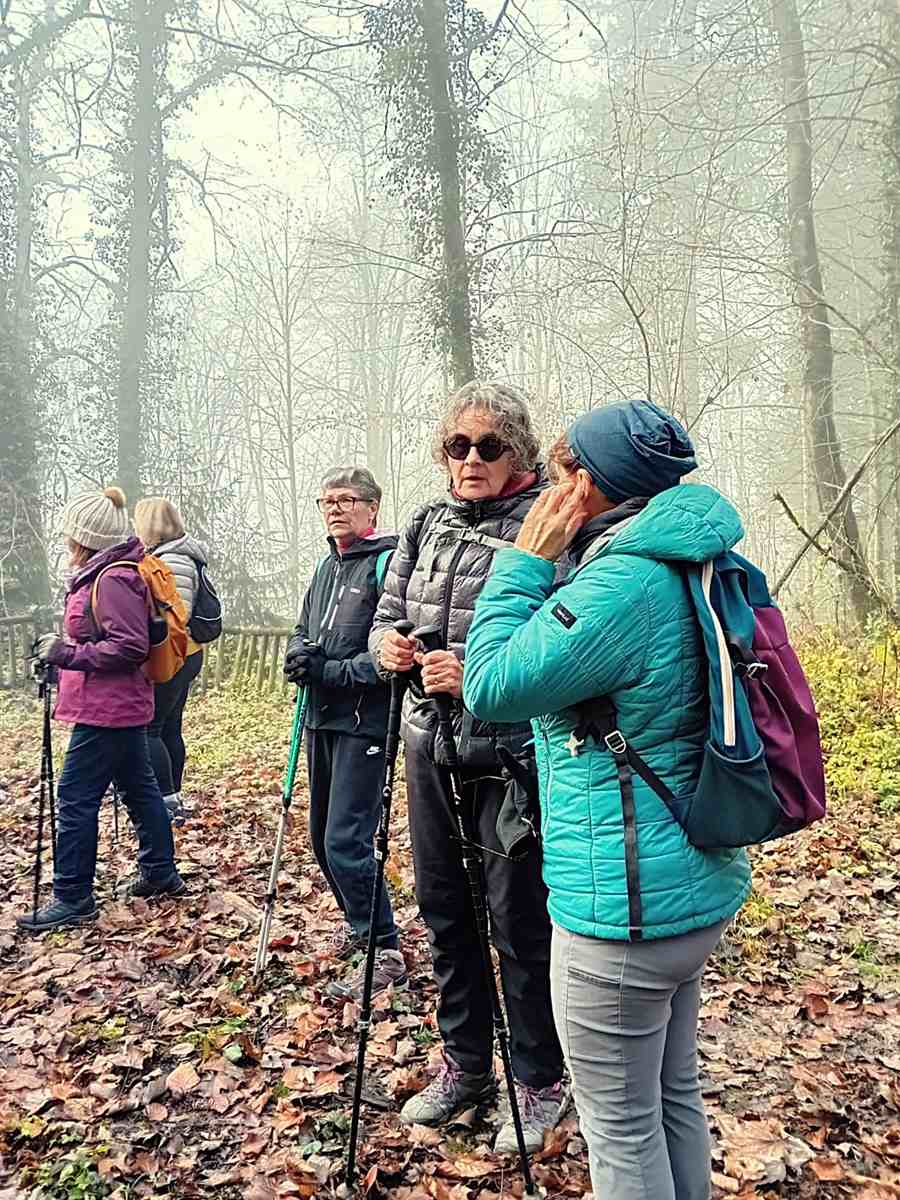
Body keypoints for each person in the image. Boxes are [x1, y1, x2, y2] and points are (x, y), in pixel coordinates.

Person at [462, 399, 752, 1200]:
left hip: (623, 909)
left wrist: (524, 562)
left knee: (619, 1128)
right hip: (689, 879)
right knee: (669, 1095)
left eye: (561, 473)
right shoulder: (690, 553)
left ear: (585, 485)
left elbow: (491, 685)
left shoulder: (624, 582)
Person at [369, 381, 566, 1154]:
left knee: (518, 920)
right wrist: (388, 649)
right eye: (458, 445)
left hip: (513, 753)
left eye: (489, 445)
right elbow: (387, 614)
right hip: (429, 743)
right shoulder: (426, 522)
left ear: (518, 450)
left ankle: (540, 1078)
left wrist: (478, 676)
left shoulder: (547, 523)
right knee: (444, 911)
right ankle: (466, 1065)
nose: (472, 459)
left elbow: (560, 639)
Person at [17, 487, 185, 935]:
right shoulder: (107, 573)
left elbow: (128, 646)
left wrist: (66, 654)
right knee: (140, 790)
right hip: (116, 704)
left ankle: (73, 896)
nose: (65, 541)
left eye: (69, 534)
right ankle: (160, 872)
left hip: (107, 710)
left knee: (75, 799)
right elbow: (102, 641)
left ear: (84, 538)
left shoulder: (112, 579)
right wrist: (61, 662)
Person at [283, 467, 404, 999]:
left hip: (364, 723)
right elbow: (303, 629)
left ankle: (385, 949)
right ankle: (361, 924)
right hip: (321, 717)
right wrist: (298, 655)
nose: (334, 509)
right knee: (320, 838)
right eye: (327, 501)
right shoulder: (325, 565)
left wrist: (330, 671)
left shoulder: (386, 563)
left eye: (347, 500)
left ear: (372, 508)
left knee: (345, 841)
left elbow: (390, 657)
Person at [133, 498, 207, 824]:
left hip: (175, 653)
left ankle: (166, 800)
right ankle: (173, 795)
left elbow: (178, 613)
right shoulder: (179, 554)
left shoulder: (173, 559)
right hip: (186, 651)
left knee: (151, 728)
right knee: (169, 727)